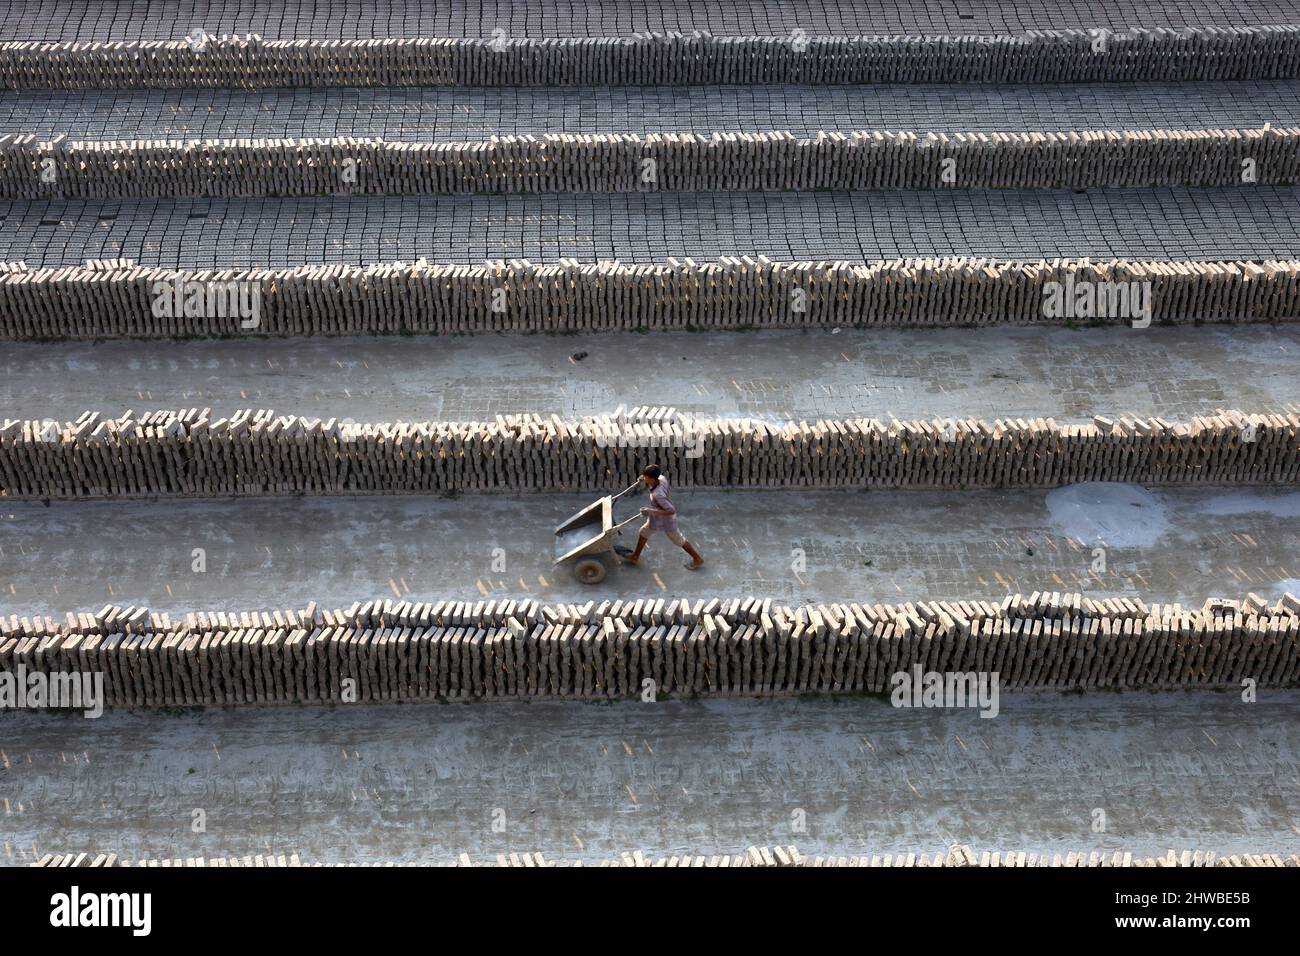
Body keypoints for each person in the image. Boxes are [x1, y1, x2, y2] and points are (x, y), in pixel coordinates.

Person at [623, 464, 704, 570]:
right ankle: (635, 556)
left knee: (678, 540)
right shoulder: (661, 478)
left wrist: (649, 511)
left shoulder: (658, 495)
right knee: (643, 532)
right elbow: (654, 478)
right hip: (656, 519)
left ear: (651, 478)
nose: (644, 478)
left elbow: (671, 510)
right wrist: (643, 478)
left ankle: (697, 559)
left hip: (666, 521)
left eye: (646, 477)